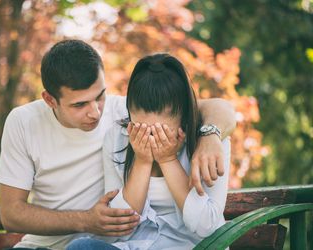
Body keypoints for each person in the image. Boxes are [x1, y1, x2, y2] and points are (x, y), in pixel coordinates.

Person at [0, 40, 235, 250]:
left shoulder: (124, 112)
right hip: (55, 244)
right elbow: (11, 214)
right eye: (79, 105)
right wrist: (86, 220)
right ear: (50, 99)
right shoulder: (26, 123)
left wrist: (211, 135)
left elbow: (214, 107)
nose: (95, 112)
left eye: (100, 96)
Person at [68, 53, 231, 249]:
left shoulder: (208, 144)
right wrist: (142, 161)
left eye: (161, 132)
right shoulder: (118, 136)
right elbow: (120, 224)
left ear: (183, 118)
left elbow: (207, 226)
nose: (152, 139)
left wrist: (168, 160)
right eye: (143, 130)